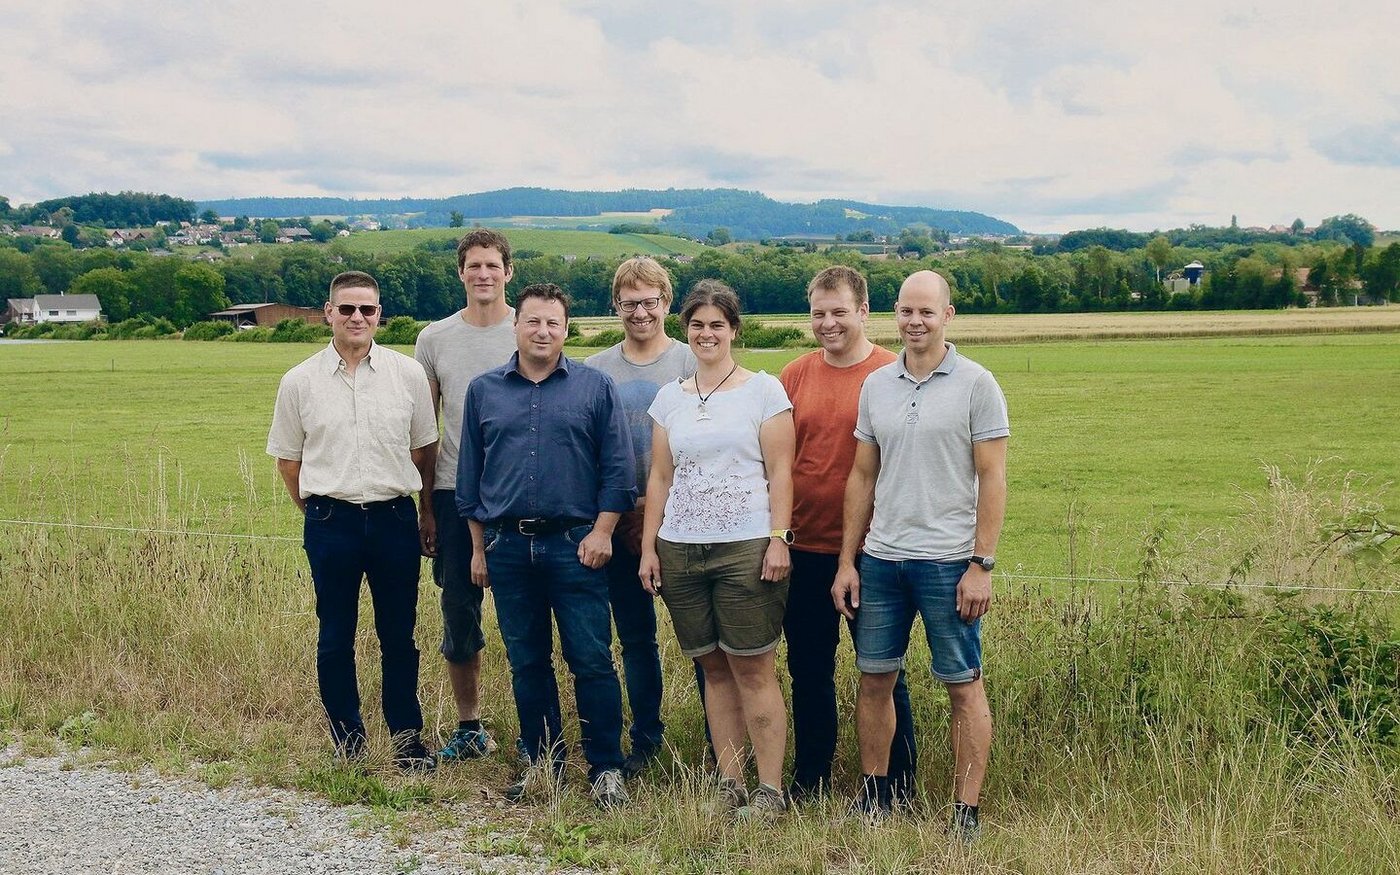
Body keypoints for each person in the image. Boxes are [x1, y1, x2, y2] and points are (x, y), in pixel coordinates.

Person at [832, 270, 1009, 836]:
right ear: (895, 313)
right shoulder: (877, 385)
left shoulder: (978, 384)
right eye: (906, 311)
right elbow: (861, 477)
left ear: (948, 316)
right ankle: (877, 795)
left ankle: (966, 810)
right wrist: (846, 561)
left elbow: (994, 477)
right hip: (881, 560)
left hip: (949, 562)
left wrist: (981, 565)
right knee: (874, 678)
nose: (915, 322)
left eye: (927, 312)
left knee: (963, 684)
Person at [456, 283, 636, 810]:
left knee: (592, 659)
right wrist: (478, 549)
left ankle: (606, 767)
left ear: (566, 328)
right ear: (516, 325)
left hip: (576, 545)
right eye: (533, 321)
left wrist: (603, 532)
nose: (543, 331)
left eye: (553, 323)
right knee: (526, 661)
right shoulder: (484, 391)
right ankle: (542, 764)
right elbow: (471, 478)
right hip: (508, 547)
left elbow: (618, 470)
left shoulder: (595, 387)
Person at [267, 270, 438, 771]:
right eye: (347, 309)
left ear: (379, 315)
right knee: (335, 633)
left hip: (393, 520)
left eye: (367, 309)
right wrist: (317, 513)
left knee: (399, 634)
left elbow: (424, 451)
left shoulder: (408, 376)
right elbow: (288, 462)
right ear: (328, 313)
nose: (357, 318)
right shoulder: (299, 382)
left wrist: (426, 512)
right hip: (331, 520)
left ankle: (407, 738)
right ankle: (348, 738)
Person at [639, 279, 796, 816]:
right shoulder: (668, 400)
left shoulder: (764, 391)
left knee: (752, 666)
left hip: (745, 548)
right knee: (712, 668)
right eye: (698, 325)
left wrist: (779, 539)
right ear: (686, 330)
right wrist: (648, 549)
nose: (707, 334)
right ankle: (730, 783)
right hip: (680, 549)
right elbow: (659, 478)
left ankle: (770, 791)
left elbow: (781, 471)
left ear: (734, 330)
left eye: (717, 325)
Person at [778, 266, 917, 804]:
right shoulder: (794, 375)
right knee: (808, 671)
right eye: (818, 313)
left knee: (881, 673)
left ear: (864, 311)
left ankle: (896, 786)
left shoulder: (891, 373)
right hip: (805, 547)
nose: (828, 323)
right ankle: (811, 778)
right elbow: (780, 462)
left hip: (874, 552)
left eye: (839, 312)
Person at [585, 257, 696, 779]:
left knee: (704, 639)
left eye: (650, 302)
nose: (641, 312)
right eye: (630, 303)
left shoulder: (690, 362)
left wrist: (657, 516)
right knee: (635, 637)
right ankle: (647, 737)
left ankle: (721, 742)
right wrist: (618, 517)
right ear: (617, 306)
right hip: (619, 520)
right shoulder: (597, 369)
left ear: (667, 304)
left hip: (684, 522)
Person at [413, 229, 518, 764]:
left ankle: (536, 727)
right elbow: (424, 429)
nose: (483, 274)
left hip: (520, 495)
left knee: (530, 610)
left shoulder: (529, 329)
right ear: (461, 273)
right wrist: (427, 504)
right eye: (473, 266)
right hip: (455, 492)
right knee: (459, 613)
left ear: (508, 272)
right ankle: (469, 724)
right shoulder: (434, 339)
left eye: (492, 265)